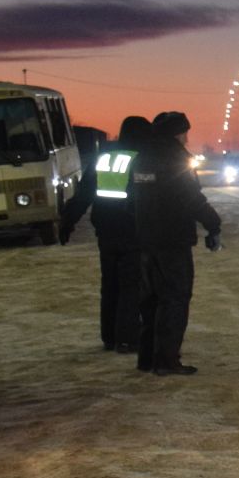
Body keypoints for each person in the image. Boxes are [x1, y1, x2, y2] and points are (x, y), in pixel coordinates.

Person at [131, 111, 222, 376]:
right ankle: (167, 360)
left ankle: (147, 358)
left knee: (150, 299)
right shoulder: (176, 159)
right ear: (176, 133)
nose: (186, 137)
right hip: (172, 239)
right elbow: (191, 198)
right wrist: (213, 223)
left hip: (147, 239)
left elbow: (131, 199)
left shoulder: (141, 159)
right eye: (184, 132)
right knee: (175, 298)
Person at [89, 115, 152, 353]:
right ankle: (127, 338)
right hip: (131, 230)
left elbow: (86, 191)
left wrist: (68, 222)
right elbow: (142, 197)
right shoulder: (139, 159)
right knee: (131, 286)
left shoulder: (103, 158)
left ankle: (109, 336)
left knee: (110, 284)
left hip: (105, 230)